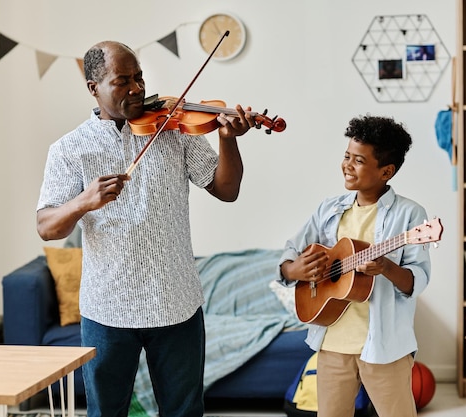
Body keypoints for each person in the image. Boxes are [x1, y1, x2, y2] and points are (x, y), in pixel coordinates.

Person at [36, 40, 256, 417]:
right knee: (106, 412)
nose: (137, 88)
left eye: (139, 77)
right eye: (123, 80)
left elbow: (227, 190)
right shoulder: (69, 150)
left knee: (184, 412)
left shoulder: (174, 129)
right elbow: (46, 227)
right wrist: (82, 202)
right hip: (108, 309)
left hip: (177, 304)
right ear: (94, 88)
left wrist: (227, 138)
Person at [278, 115, 431, 417]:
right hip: (332, 339)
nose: (347, 165)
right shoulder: (329, 209)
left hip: (385, 346)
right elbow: (291, 251)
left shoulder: (410, 215)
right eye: (347, 156)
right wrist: (292, 271)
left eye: (358, 160)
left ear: (386, 171)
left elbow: (418, 280)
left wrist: (386, 267)